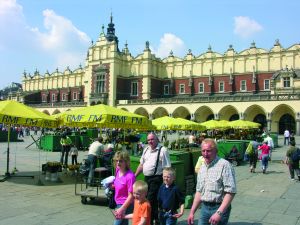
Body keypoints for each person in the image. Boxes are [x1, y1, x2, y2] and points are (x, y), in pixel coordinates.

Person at [187, 138, 237, 225]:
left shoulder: (224, 165)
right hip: (204, 208)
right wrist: (192, 212)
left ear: (216, 151)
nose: (205, 154)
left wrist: (219, 213)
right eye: (203, 151)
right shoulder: (202, 167)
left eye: (209, 151)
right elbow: (199, 191)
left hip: (219, 208)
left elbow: (231, 191)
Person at [135, 132, 171, 225]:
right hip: (146, 178)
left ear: (157, 139)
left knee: (149, 200)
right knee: (150, 200)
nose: (150, 141)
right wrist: (134, 175)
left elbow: (166, 168)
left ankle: (149, 221)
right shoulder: (146, 149)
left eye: (152, 139)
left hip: (156, 179)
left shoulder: (163, 150)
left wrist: (166, 183)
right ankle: (154, 219)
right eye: (148, 140)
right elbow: (141, 164)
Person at [113, 151, 135, 225]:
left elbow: (131, 196)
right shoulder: (117, 170)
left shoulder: (130, 176)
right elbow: (118, 183)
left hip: (125, 204)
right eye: (117, 160)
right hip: (118, 202)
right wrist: (111, 185)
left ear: (126, 162)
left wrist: (122, 209)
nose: (118, 163)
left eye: (121, 161)